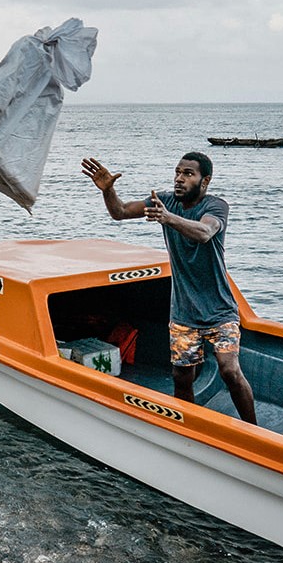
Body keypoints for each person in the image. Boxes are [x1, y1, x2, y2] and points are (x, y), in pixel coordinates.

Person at [81, 153, 257, 425]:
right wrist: (109, 190)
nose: (179, 178)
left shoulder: (216, 206)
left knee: (229, 371)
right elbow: (120, 212)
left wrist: (168, 218)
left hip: (220, 310)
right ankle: (186, 428)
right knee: (182, 377)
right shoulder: (165, 201)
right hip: (184, 313)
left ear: (205, 181)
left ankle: (253, 430)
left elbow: (204, 233)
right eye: (177, 172)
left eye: (188, 174)